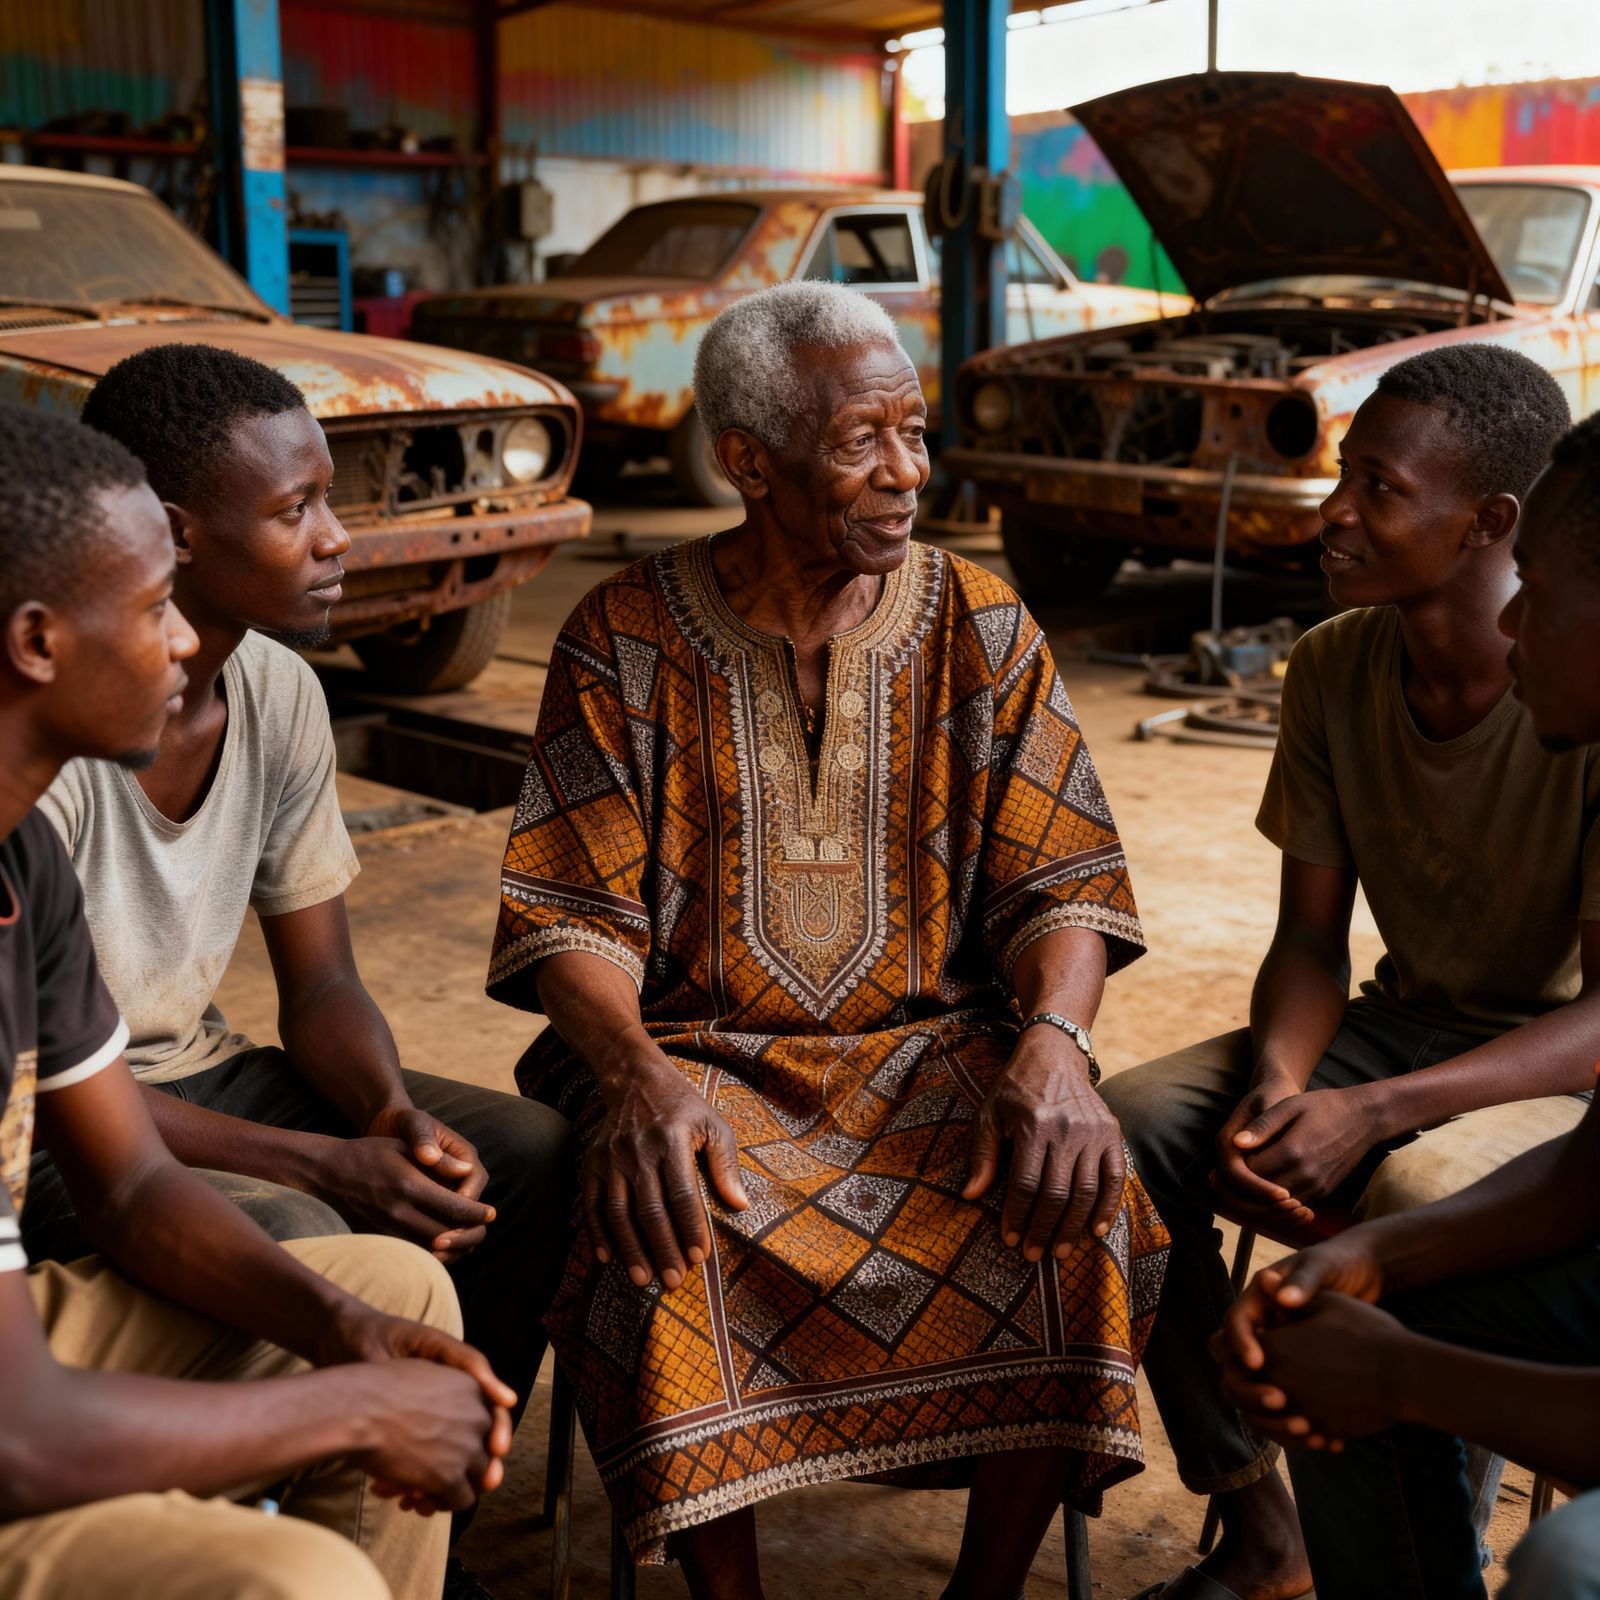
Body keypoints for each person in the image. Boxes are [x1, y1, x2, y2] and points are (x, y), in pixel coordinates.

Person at [485, 280, 1169, 1599]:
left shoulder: (981, 624)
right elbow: (570, 913)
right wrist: (635, 1075)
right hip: (688, 1054)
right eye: (863, 440)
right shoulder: (621, 634)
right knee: (662, 1220)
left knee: (1078, 1202)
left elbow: (1066, 882)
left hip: (931, 1053)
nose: (907, 471)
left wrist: (1059, 1044)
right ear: (748, 460)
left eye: (915, 431)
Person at [1097, 345, 1596, 1600]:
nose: (1332, 515)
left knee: (1411, 1195)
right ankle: (1264, 1522)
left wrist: (1375, 1118)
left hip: (1543, 1058)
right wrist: (1280, 1083)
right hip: (1403, 1024)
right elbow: (1311, 941)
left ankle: (1431, 1543)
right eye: (1341, 478)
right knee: (1131, 1131)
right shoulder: (1333, 668)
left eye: (1375, 486)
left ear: (1492, 525)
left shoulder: (1580, 709)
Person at [23, 347, 571, 1477]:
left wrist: (381, 1115)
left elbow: (320, 982)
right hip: (53, 1114)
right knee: (307, 1236)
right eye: (295, 509)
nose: (337, 540)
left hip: (191, 1072)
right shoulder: (56, 743)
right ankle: (295, 1499)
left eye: (329, 500)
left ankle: (443, 1498)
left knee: (514, 1154)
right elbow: (74, 1109)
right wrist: (316, 1167)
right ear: (176, 532)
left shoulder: (280, 694)